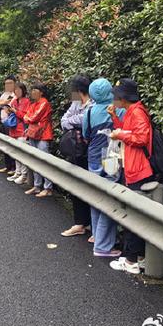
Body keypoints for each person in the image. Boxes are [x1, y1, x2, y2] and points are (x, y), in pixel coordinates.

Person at [107, 78, 153, 273]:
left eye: (116, 96)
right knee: (135, 215)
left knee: (132, 216)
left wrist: (119, 135)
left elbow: (141, 138)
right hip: (133, 167)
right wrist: (115, 118)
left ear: (123, 97)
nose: (114, 99)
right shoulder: (131, 111)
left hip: (138, 169)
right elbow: (126, 130)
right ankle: (139, 258)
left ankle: (131, 261)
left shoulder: (138, 112)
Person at [83, 78, 123, 257]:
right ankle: (103, 246)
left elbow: (85, 134)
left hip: (93, 155)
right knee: (109, 197)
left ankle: (95, 235)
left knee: (96, 195)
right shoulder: (117, 110)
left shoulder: (89, 111)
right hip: (111, 156)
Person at [59, 75, 93, 237]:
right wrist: (75, 121)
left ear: (79, 90)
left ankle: (88, 224)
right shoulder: (76, 102)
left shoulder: (94, 104)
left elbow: (86, 121)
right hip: (75, 151)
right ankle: (80, 222)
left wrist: (74, 121)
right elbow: (63, 120)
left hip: (89, 153)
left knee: (90, 188)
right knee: (76, 186)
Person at [23, 83, 55, 197]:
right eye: (32, 90)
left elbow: (32, 117)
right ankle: (37, 186)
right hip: (33, 134)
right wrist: (29, 118)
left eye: (35, 89)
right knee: (35, 160)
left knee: (44, 161)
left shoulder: (44, 102)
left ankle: (48, 187)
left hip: (43, 134)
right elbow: (26, 117)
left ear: (41, 92)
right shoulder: (33, 104)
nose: (32, 92)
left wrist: (30, 118)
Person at [5, 82, 31, 184]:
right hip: (13, 129)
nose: (17, 92)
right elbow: (9, 111)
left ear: (23, 91)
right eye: (16, 90)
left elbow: (26, 117)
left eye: (19, 90)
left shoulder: (27, 101)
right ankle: (18, 172)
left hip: (22, 130)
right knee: (16, 152)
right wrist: (9, 111)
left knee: (22, 153)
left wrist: (15, 112)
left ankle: (24, 175)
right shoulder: (14, 100)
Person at [0, 75, 18, 174]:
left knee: (11, 145)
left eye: (10, 83)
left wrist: (3, 103)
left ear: (15, 83)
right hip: (3, 122)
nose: (7, 85)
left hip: (11, 123)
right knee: (5, 145)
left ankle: (13, 167)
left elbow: (10, 106)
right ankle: (7, 166)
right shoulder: (5, 94)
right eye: (6, 84)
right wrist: (3, 102)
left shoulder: (15, 94)